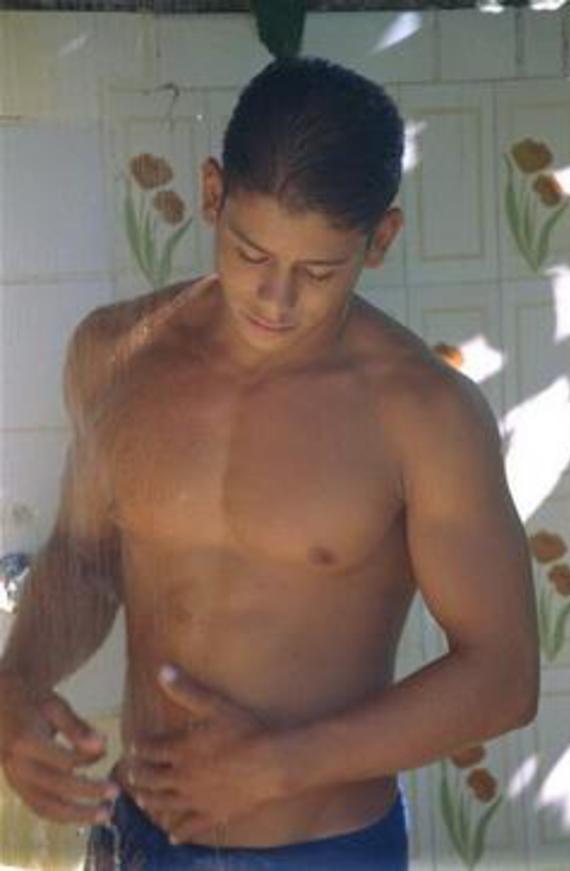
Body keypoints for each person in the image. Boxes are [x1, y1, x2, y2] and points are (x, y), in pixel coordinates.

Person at [0, 57, 539, 870]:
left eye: (318, 272)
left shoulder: (425, 415)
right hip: (135, 831)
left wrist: (281, 764)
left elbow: (504, 675)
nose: (275, 299)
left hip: (320, 850)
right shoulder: (117, 353)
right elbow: (85, 559)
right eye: (250, 253)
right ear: (212, 195)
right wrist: (14, 685)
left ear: (381, 239)